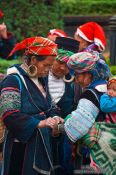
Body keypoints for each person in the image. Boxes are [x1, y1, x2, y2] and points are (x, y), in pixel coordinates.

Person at [0, 36, 64, 175]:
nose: (49, 70)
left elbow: (51, 106)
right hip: (20, 149)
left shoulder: (42, 81)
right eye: (46, 65)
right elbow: (9, 114)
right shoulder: (13, 80)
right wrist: (40, 123)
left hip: (42, 145)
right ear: (34, 60)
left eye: (51, 66)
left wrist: (56, 118)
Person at [52, 51, 115, 175]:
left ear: (89, 74)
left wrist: (58, 127)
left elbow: (78, 125)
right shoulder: (108, 89)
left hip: (95, 154)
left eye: (77, 74)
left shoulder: (90, 94)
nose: (76, 79)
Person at [48, 38, 81, 175]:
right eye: (60, 62)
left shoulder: (77, 82)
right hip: (42, 136)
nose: (63, 68)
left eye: (67, 65)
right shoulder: (37, 77)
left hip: (65, 139)